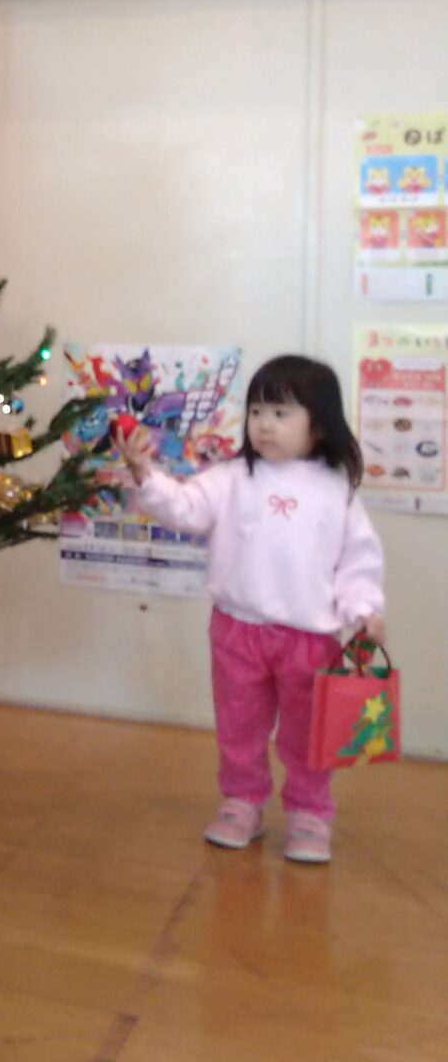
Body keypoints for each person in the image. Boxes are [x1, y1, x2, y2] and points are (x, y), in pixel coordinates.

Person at [117, 355, 385, 866]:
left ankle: (310, 812)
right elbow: (184, 508)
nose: (264, 424)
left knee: (308, 732)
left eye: (281, 413)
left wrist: (364, 609)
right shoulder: (232, 478)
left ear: (319, 425)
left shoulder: (336, 493)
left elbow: (357, 562)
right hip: (236, 629)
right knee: (239, 725)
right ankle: (242, 802)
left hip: (312, 639)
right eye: (257, 411)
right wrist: (144, 473)